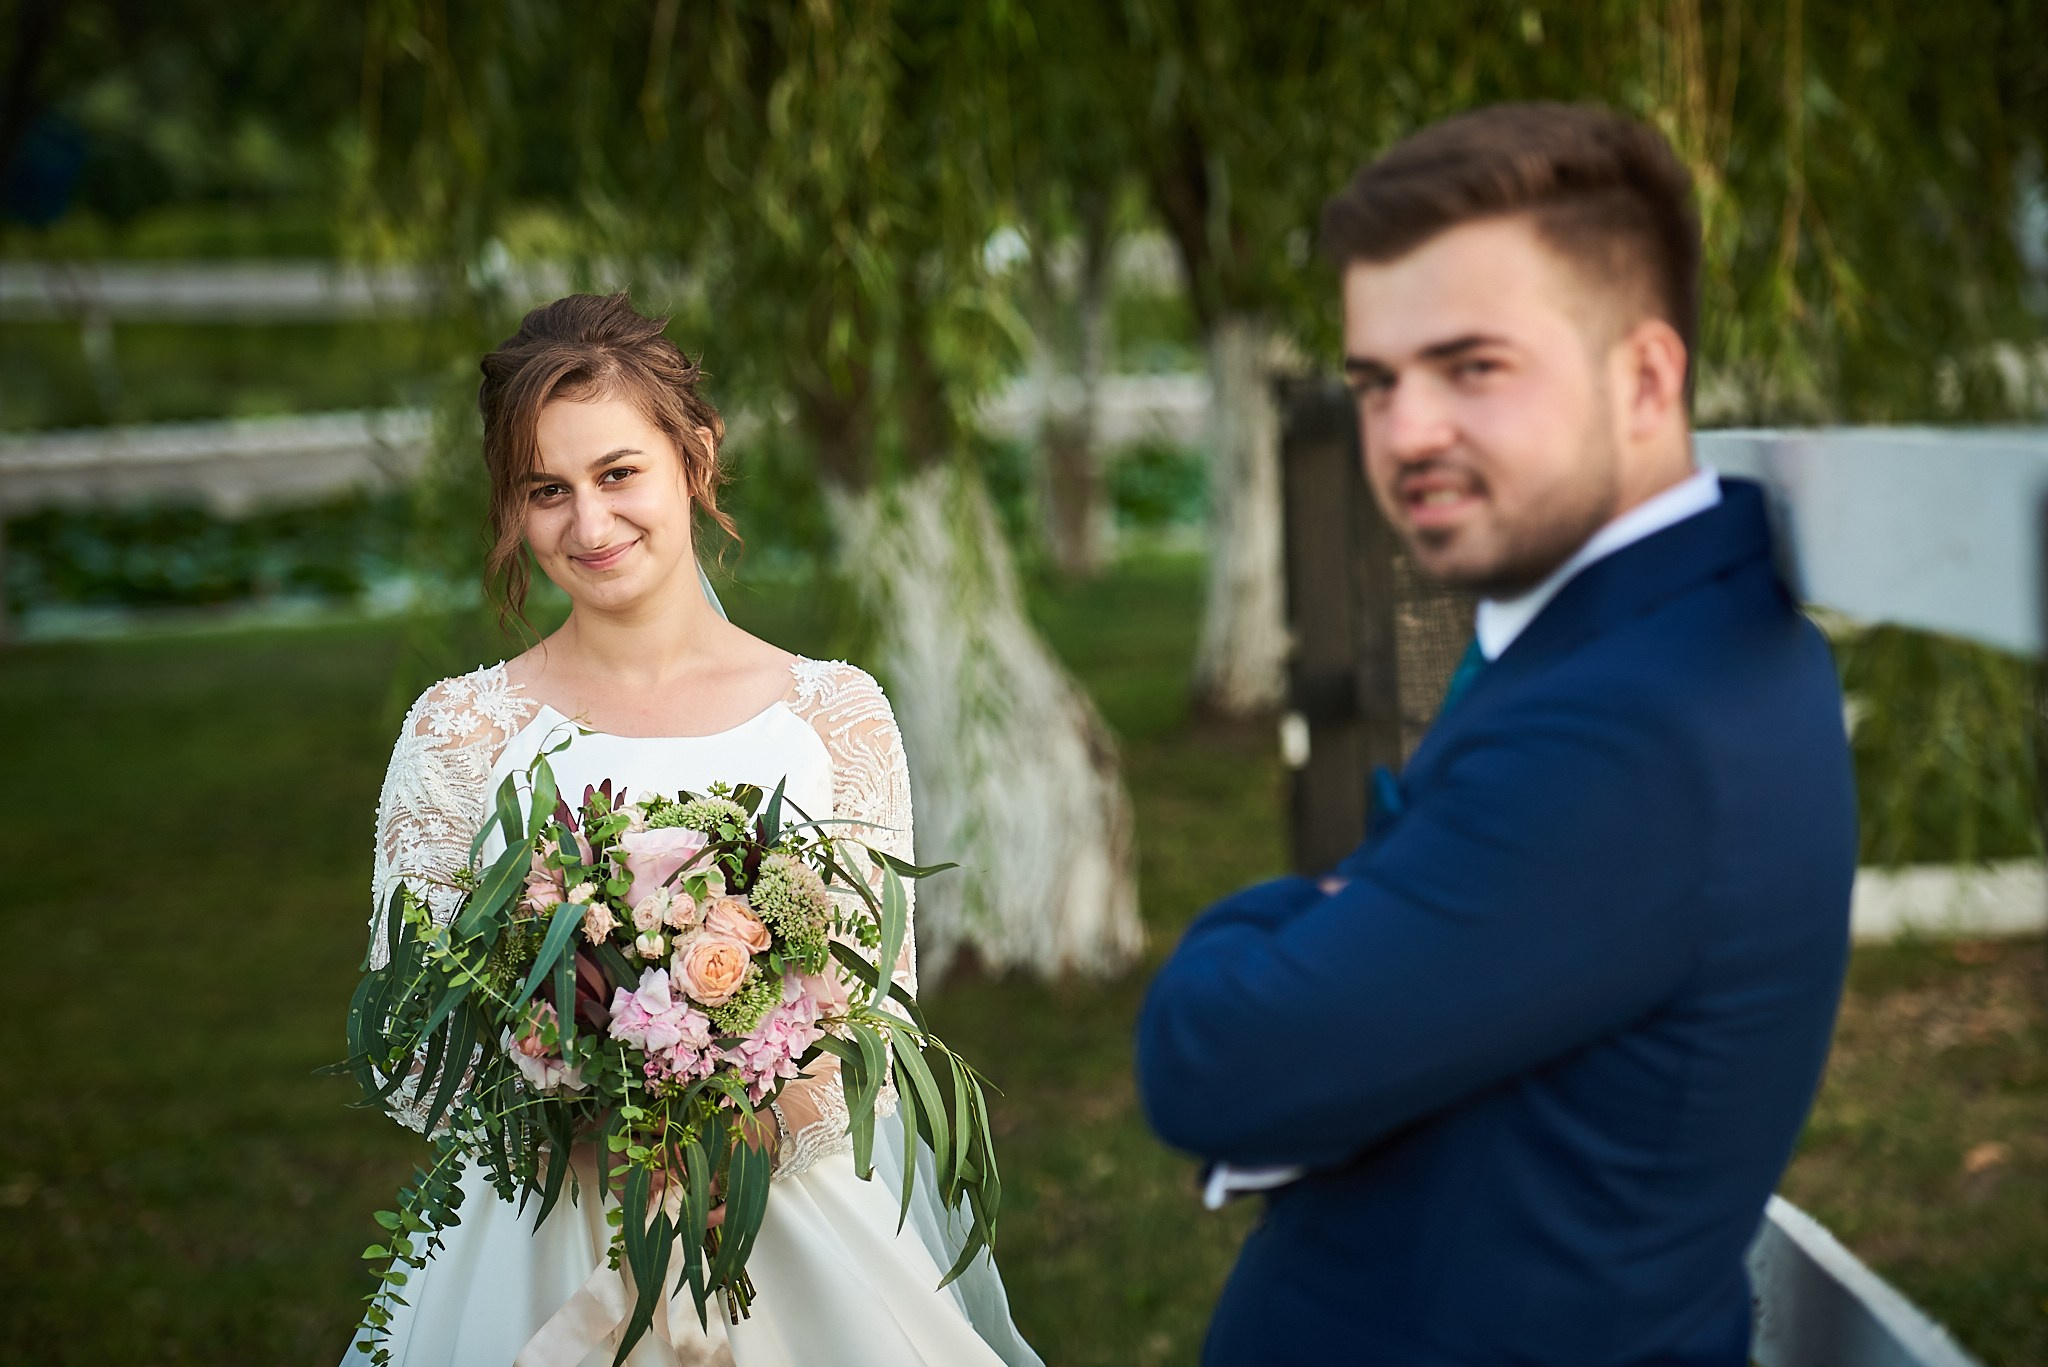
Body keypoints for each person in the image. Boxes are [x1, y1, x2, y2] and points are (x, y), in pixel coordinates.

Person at [1135, 103, 1857, 1366]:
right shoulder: (1675, 623)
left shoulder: (1623, 729)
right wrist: (1363, 907)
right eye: (1375, 381)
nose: (1405, 431)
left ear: (1645, 377)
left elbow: (1209, 1058)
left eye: (1471, 366)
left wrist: (1289, 917)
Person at [351, 292, 1040, 1367]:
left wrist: (727, 1135)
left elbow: (876, 1013)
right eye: (546, 489)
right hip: (543, 1228)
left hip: (783, 1222)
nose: (589, 525)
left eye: (617, 472)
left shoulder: (832, 714)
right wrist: (591, 1110)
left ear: (696, 457)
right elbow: (411, 1031)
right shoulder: (462, 731)